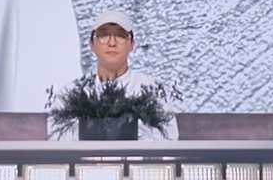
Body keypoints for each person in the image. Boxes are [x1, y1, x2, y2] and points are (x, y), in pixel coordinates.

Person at [49, 10, 180, 140]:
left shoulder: (153, 90)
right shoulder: (71, 93)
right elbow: (57, 142)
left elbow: (169, 139)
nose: (112, 43)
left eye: (120, 36)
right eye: (104, 35)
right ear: (92, 45)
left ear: (132, 44)